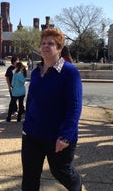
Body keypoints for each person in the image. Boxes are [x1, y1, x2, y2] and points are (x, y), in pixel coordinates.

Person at [22, 28, 82, 191]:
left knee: (61, 172)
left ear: (60, 48)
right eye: (43, 43)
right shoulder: (35, 72)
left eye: (51, 43)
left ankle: (77, 186)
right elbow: (32, 100)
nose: (45, 46)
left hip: (58, 137)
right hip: (32, 135)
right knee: (29, 177)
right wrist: (26, 123)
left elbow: (74, 107)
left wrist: (65, 136)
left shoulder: (69, 72)